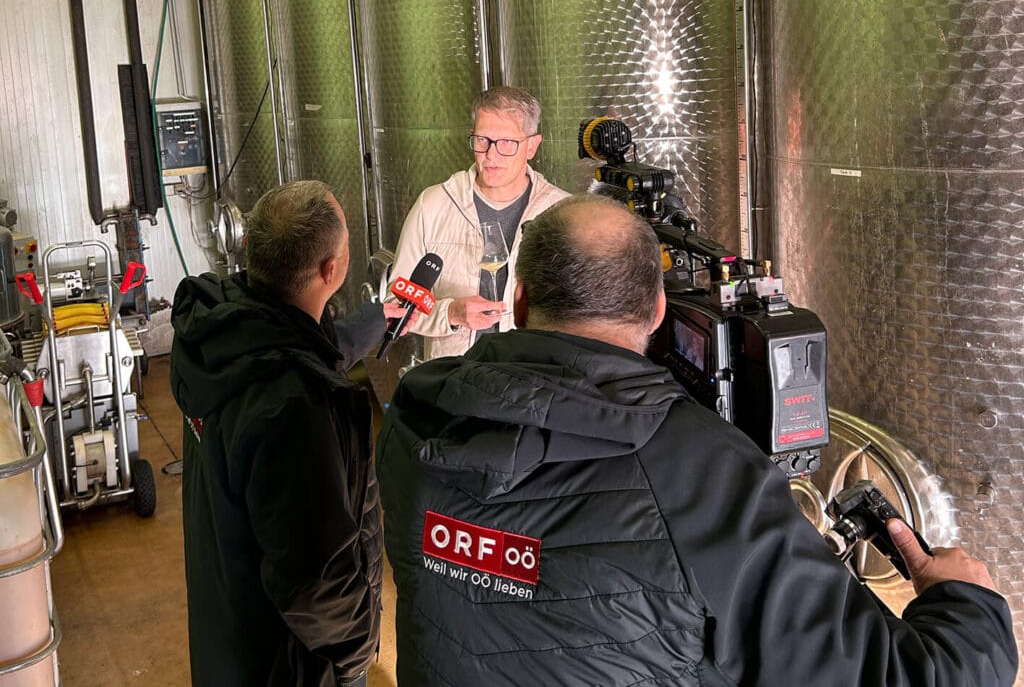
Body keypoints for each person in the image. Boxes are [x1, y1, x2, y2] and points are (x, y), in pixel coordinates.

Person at [375, 194, 1018, 686]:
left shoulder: (414, 417)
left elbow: (524, 564)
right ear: (658, 314)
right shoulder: (702, 471)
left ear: (519, 302)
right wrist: (966, 604)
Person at [170, 180, 411, 686]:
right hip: (289, 666)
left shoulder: (215, 337)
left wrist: (377, 320)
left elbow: (298, 343)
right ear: (332, 270)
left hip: (227, 635)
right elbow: (317, 585)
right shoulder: (295, 409)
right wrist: (356, 655)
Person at [387, 85, 570, 360]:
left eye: (506, 142)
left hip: (532, 375)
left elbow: (581, 313)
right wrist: (451, 313)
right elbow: (396, 304)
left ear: (532, 146)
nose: (491, 154)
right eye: (482, 140)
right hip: (454, 377)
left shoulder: (561, 212)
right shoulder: (434, 205)